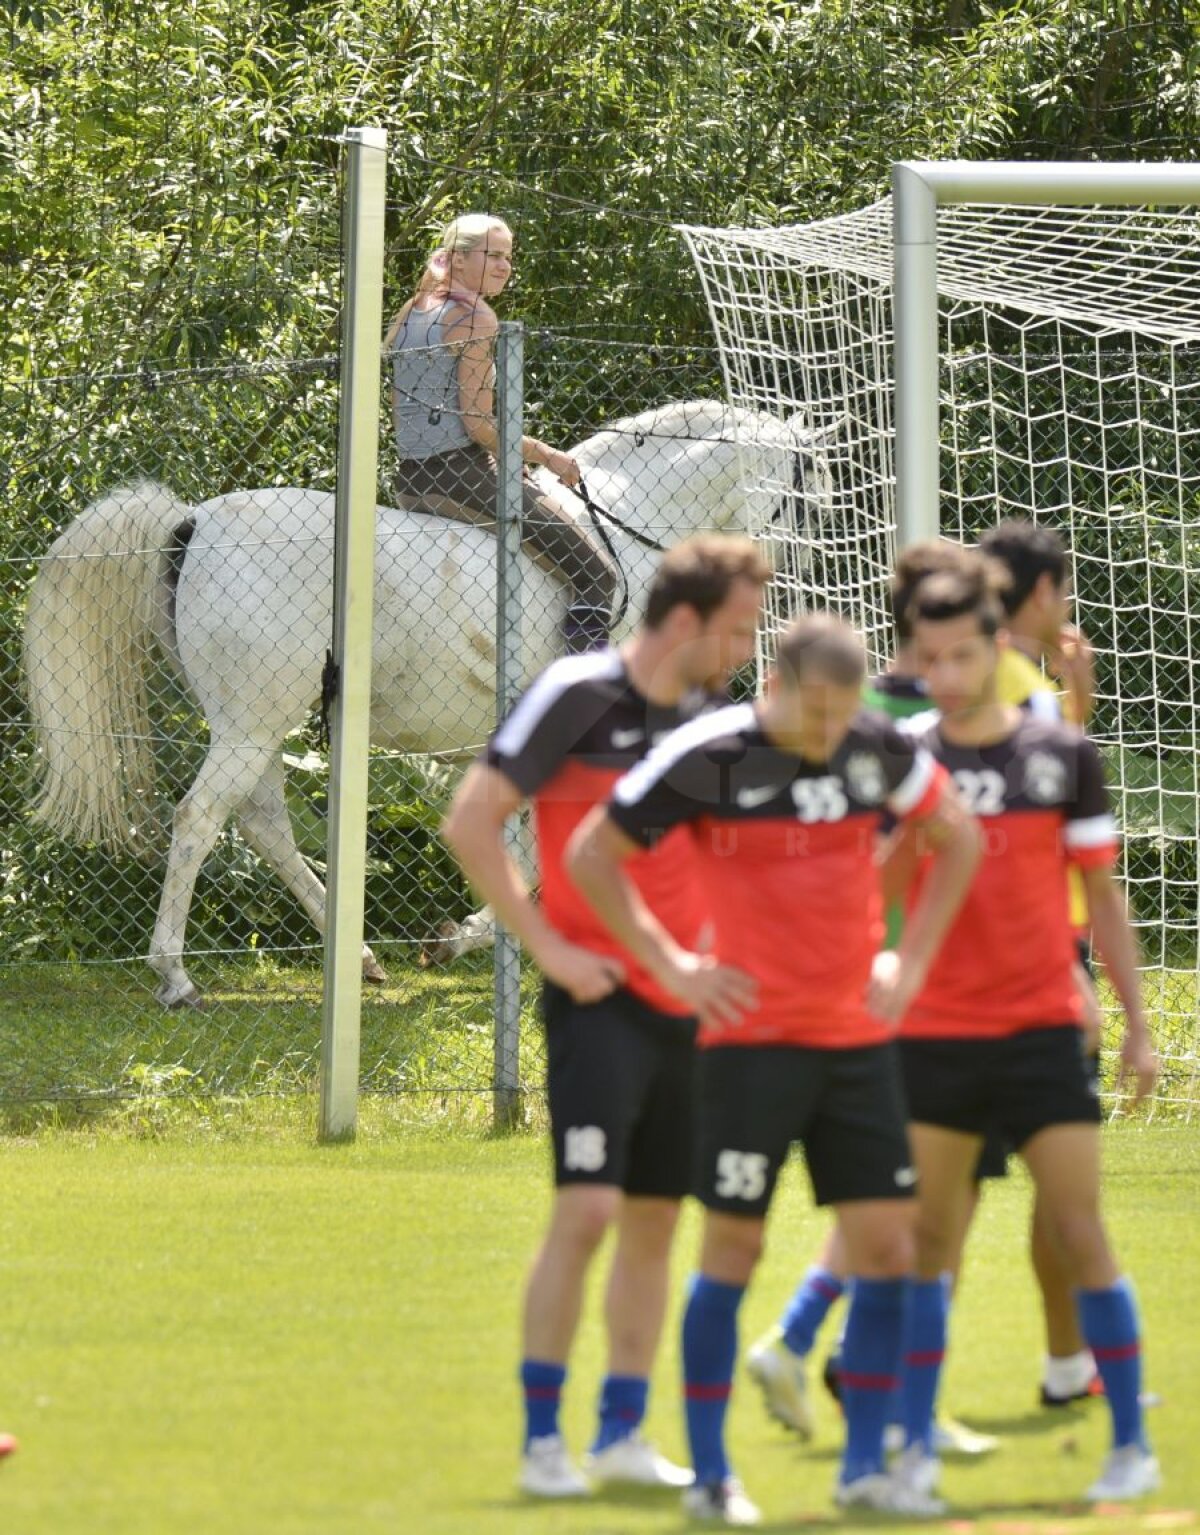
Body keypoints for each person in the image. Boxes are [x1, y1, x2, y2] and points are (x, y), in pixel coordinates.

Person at [568, 613, 980, 1523]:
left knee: (888, 1248)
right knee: (734, 1249)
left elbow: (959, 836)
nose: (831, 734)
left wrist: (908, 964)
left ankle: (865, 1468)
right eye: (816, 714)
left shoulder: (878, 746)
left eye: (843, 715)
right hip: (749, 1050)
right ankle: (714, 1479)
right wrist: (674, 965)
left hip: (857, 1048)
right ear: (774, 688)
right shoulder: (711, 752)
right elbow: (592, 851)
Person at [441, 535, 770, 1498]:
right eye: (739, 631)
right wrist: (548, 946)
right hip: (598, 1000)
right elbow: (472, 818)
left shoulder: (717, 721)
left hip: (693, 1009)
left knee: (656, 1222)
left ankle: (622, 1430)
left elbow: (724, 859)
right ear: (683, 621)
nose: (748, 651)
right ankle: (544, 1441)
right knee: (586, 1210)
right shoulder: (577, 694)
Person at [890, 557, 1160, 1507]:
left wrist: (1135, 1024)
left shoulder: (1060, 754)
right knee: (928, 1243)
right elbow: (878, 893)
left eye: (965, 654)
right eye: (932, 659)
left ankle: (1130, 1442)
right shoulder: (905, 757)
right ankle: (911, 1451)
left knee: (1081, 1228)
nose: (950, 676)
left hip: (1045, 1024)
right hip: (933, 1031)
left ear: (994, 646)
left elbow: (1104, 898)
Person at [744, 542, 995, 1458]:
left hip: (884, 981)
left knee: (904, 1200)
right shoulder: (914, 722)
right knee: (928, 1204)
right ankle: (882, 1394)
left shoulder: (872, 711)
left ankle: (825, 1349)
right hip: (906, 989)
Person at [981, 518, 1106, 1406]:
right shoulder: (1010, 691)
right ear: (1039, 594)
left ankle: (1069, 1366)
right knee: (1058, 1187)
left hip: (987, 959)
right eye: (1060, 589)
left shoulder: (972, 682)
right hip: (1032, 960)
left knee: (938, 1198)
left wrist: (1077, 694)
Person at [385, 213, 617, 654]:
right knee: (596, 574)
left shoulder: (413, 309)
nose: (504, 266)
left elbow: (404, 414)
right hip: (460, 478)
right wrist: (548, 456)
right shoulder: (476, 317)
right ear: (456, 259)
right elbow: (478, 426)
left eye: (508, 257)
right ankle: (583, 692)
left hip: (410, 480)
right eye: (492, 255)